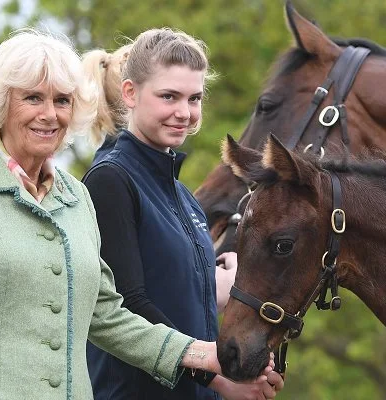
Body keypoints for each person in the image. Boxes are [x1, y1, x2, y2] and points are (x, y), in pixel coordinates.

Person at [0, 29, 279, 400]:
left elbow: (108, 314)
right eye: (32, 98)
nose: (50, 114)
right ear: (0, 103)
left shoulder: (77, 198)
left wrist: (205, 357)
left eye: (62, 101)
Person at [81, 28, 283, 400]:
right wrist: (218, 379)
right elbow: (128, 308)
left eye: (194, 98)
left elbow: (179, 299)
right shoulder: (110, 180)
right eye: (168, 96)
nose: (184, 113)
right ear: (130, 93)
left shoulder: (185, 198)